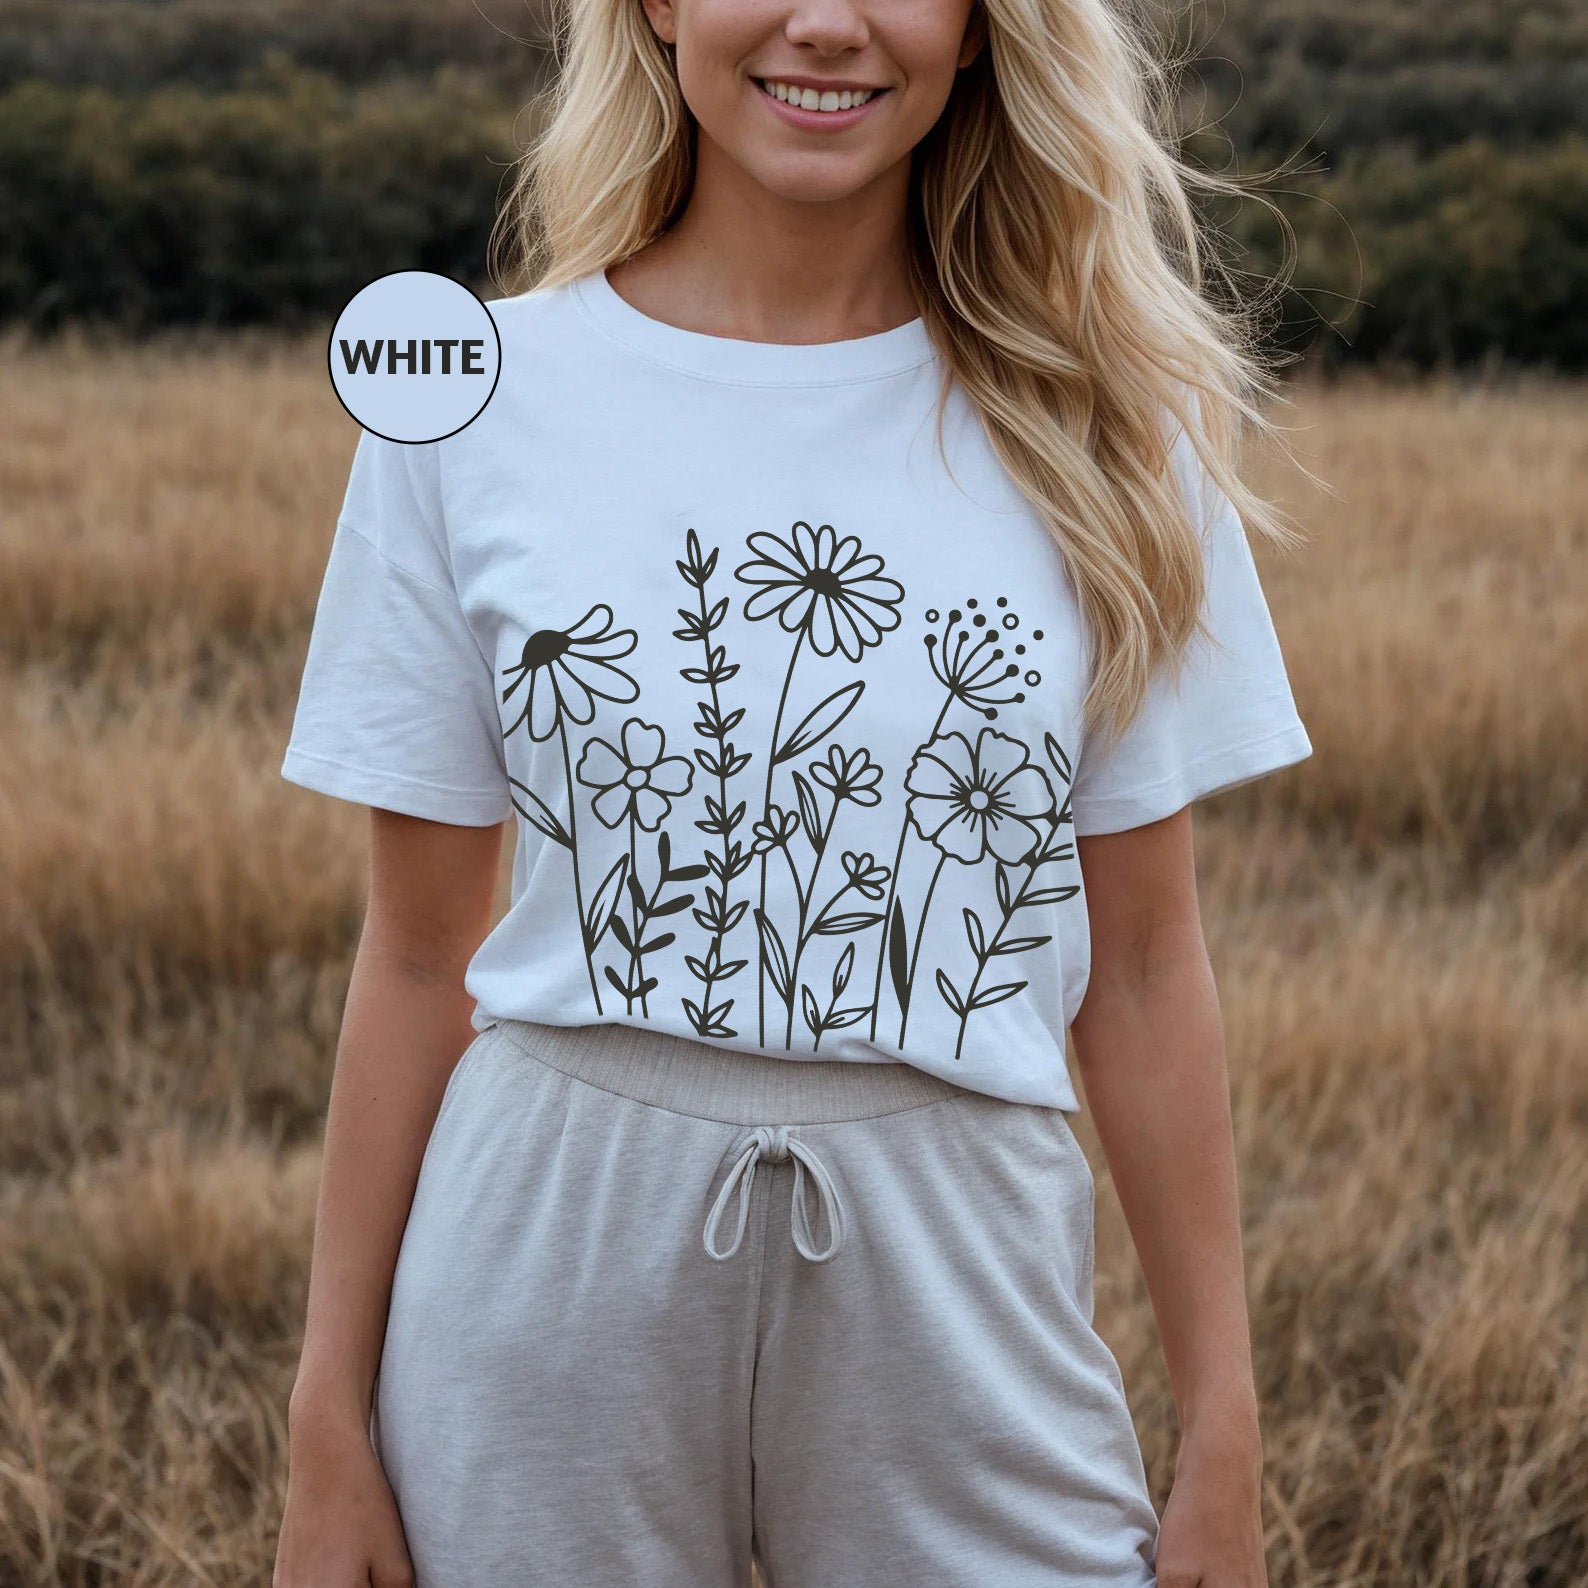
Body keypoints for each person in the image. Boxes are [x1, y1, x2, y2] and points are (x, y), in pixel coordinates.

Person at [272, 0, 1312, 1583]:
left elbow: (1150, 965)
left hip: (963, 1269)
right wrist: (324, 1420)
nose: (826, 25)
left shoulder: (1117, 429)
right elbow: (416, 956)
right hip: (544, 1258)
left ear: (977, 31)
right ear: (661, 10)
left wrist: (1226, 1436)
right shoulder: (471, 399)